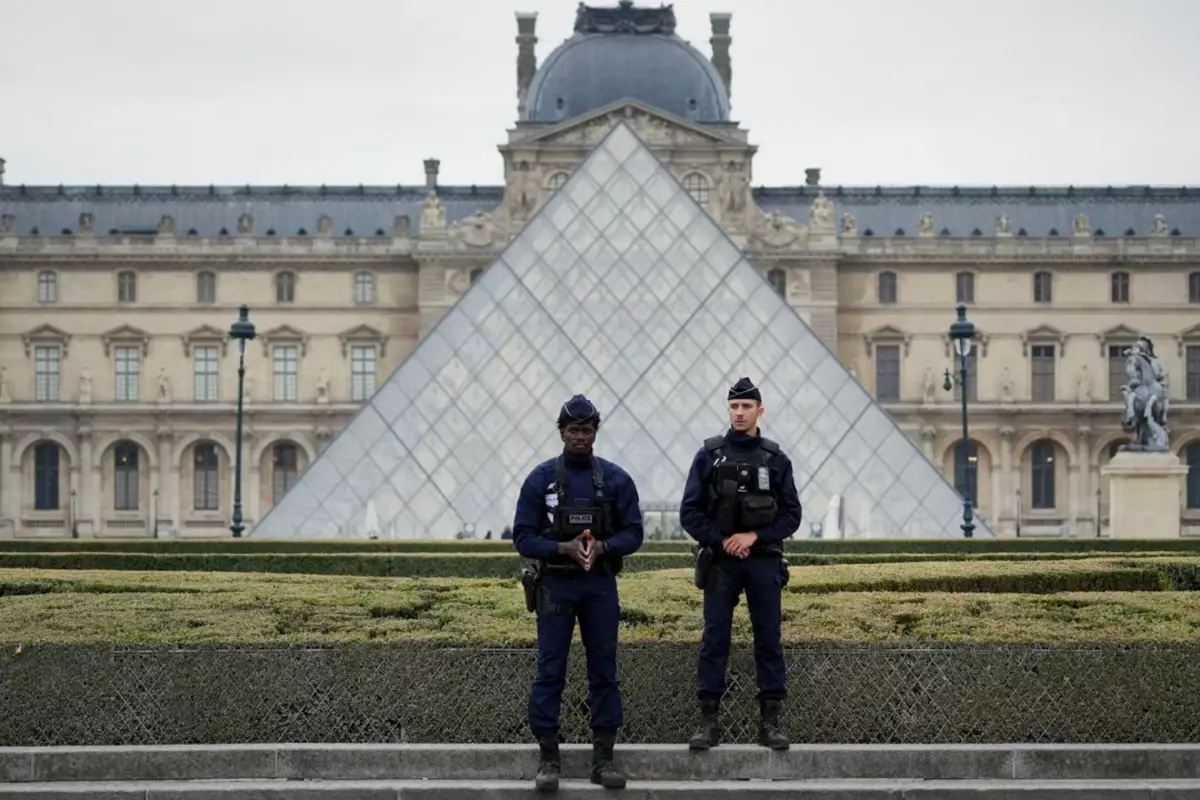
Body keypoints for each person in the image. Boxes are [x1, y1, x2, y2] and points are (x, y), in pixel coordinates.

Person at [512, 394, 645, 792]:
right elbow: (522, 537)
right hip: (555, 583)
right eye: (573, 430)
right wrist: (561, 548)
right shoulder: (540, 480)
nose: (580, 437)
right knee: (550, 671)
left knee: (604, 671)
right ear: (561, 432)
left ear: (595, 433)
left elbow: (634, 533)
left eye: (587, 430)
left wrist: (603, 547)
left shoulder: (617, 480)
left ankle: (603, 759)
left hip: (599, 584)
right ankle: (548, 759)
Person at [679, 376, 802, 752]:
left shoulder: (776, 459)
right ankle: (707, 721)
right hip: (720, 563)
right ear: (728, 409)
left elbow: (792, 516)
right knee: (715, 640)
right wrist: (723, 541)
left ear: (760, 410)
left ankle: (771, 722)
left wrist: (753, 538)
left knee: (769, 640)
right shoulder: (708, 456)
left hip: (763, 561)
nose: (739, 412)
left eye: (746, 406)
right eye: (734, 406)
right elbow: (690, 513)